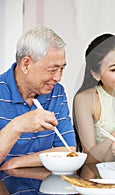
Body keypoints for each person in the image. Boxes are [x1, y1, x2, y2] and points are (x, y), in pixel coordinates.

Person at [0, 26, 76, 170]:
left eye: (62, 69)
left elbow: (68, 149)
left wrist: (16, 163)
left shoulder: (56, 93)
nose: (58, 78)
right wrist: (17, 126)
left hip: (41, 187)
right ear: (26, 64)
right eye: (53, 70)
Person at [73, 33, 115, 163]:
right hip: (104, 175)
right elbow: (88, 158)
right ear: (96, 74)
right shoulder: (85, 100)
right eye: (114, 69)